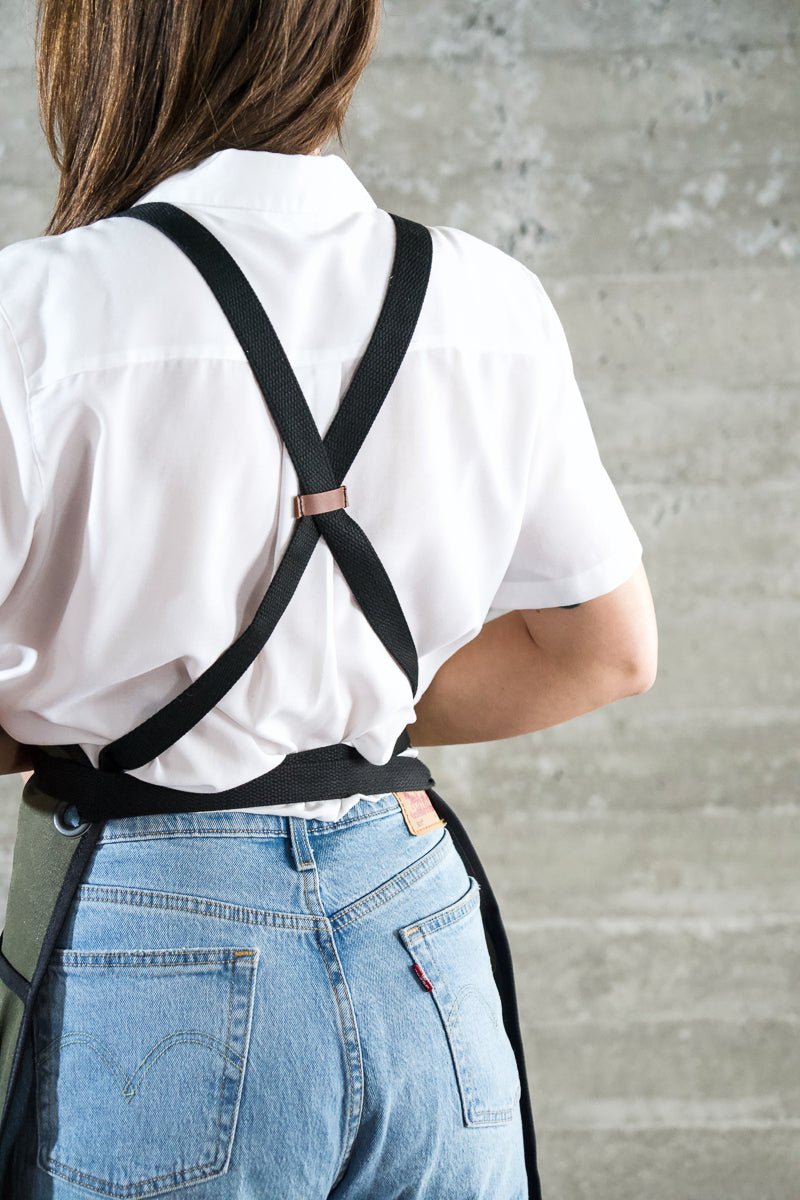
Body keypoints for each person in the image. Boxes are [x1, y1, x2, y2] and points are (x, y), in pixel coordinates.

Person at [0, 2, 657, 1198]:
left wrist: (103, 703)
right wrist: (317, 701)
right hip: (414, 922)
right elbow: (601, 652)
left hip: (162, 927)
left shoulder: (36, 312)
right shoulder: (489, 299)